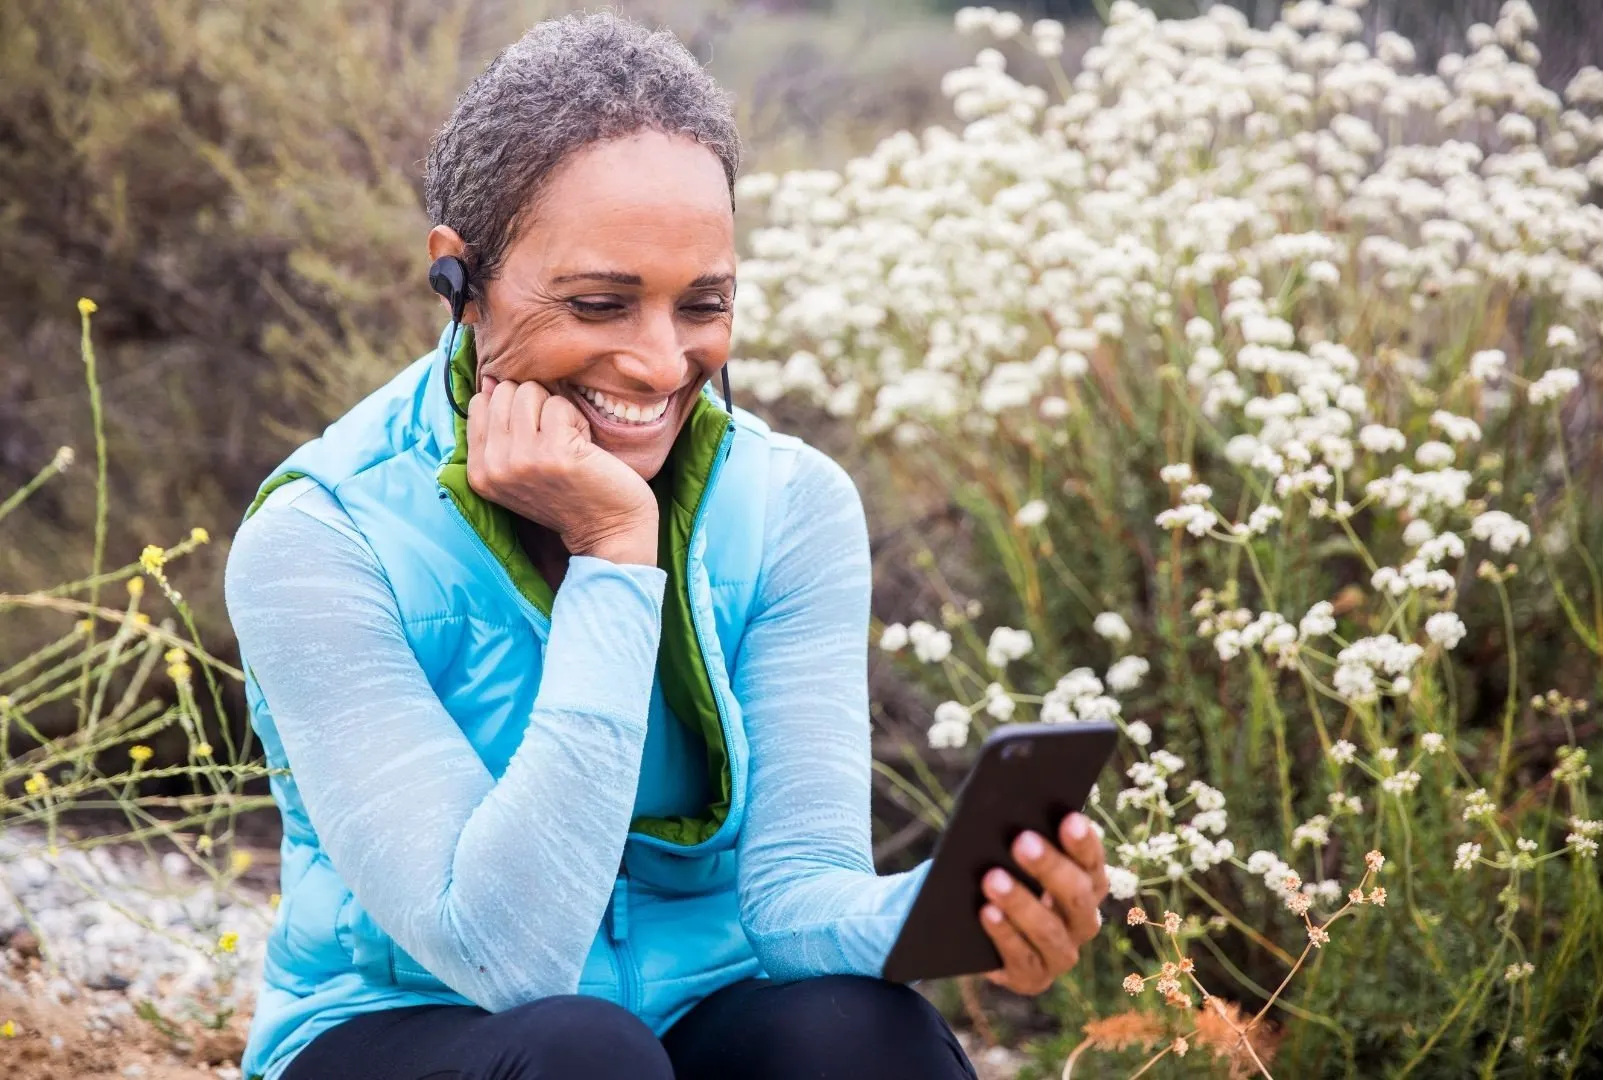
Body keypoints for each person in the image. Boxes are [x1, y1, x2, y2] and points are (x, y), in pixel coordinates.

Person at [223, 12, 1109, 1080]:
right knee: (580, 1054)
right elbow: (502, 957)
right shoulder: (323, 537)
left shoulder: (788, 507)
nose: (657, 362)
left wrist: (960, 911)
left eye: (704, 304)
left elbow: (791, 903)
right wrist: (613, 554)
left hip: (686, 1024)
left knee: (866, 1038)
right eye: (599, 303)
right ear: (459, 280)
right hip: (404, 1030)